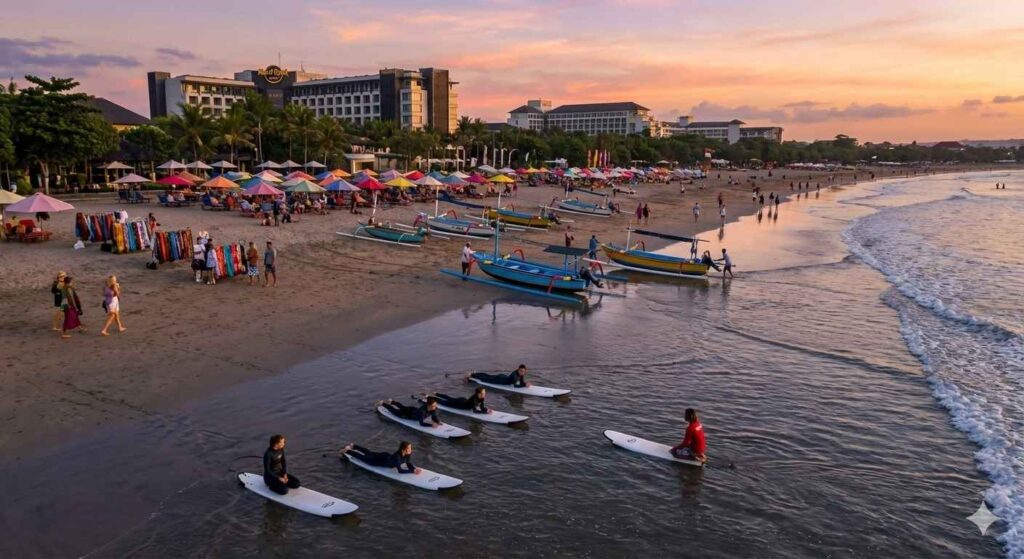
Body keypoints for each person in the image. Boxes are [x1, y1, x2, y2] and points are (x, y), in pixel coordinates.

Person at [341, 441, 420, 474]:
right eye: (409, 448)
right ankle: (347, 451)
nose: (411, 449)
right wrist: (411, 471)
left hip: (386, 456)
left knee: (369, 452)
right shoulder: (397, 457)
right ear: (404, 449)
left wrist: (413, 468)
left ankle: (354, 446)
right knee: (363, 457)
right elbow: (400, 470)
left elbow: (408, 463)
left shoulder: (407, 453)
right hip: (379, 461)